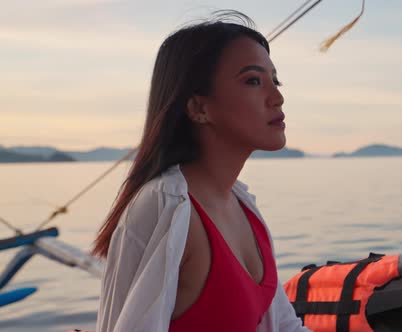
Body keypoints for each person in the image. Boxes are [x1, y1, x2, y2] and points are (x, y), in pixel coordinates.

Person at [91, 11, 310, 332]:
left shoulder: (242, 205)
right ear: (198, 108)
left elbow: (284, 326)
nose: (277, 98)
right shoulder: (167, 205)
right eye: (253, 81)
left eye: (274, 80)